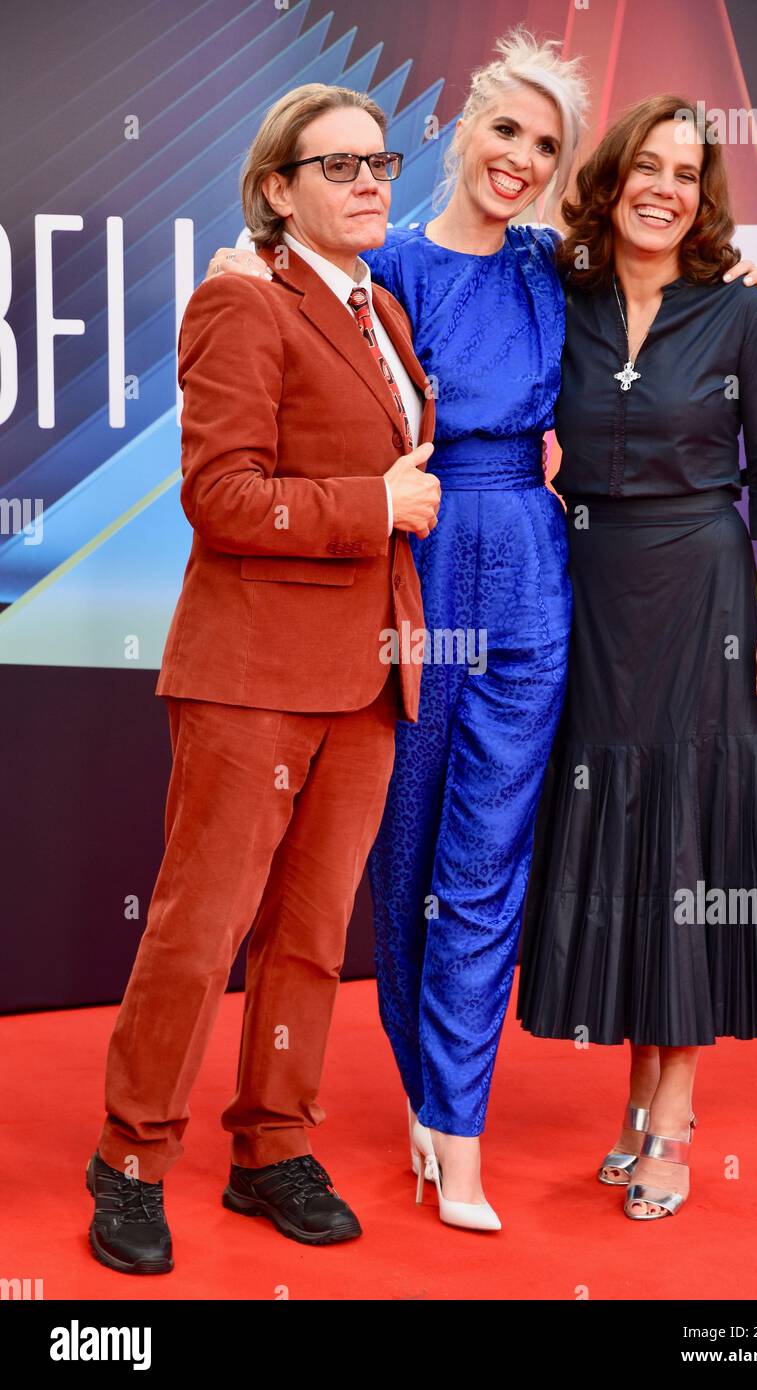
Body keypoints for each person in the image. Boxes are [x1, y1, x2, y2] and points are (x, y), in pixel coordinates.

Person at [208, 30, 757, 1232]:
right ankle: (425, 1100)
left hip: (531, 568)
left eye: (544, 142)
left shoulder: (546, 267)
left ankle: (458, 1134)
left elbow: (656, 293)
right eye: (502, 130)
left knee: (482, 866)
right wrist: (253, 267)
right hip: (411, 570)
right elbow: (306, 303)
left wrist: (731, 302)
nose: (517, 157)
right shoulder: (392, 261)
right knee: (404, 856)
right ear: (460, 128)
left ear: (562, 167)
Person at [87, 82, 440, 1274]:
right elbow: (220, 495)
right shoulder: (239, 301)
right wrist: (374, 504)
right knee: (199, 930)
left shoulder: (382, 313)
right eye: (335, 166)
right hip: (250, 675)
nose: (368, 181)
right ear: (276, 190)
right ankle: (130, 1159)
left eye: (378, 161)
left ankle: (270, 1145)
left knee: (305, 938)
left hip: (367, 676)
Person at [516, 94, 757, 1221]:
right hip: (586, 589)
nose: (664, 189)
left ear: (703, 196)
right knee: (624, 834)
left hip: (700, 590)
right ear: (612, 175)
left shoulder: (743, 317)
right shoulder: (562, 292)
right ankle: (636, 1100)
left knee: (684, 834)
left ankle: (673, 1116)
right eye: (646, 165)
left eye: (686, 174)